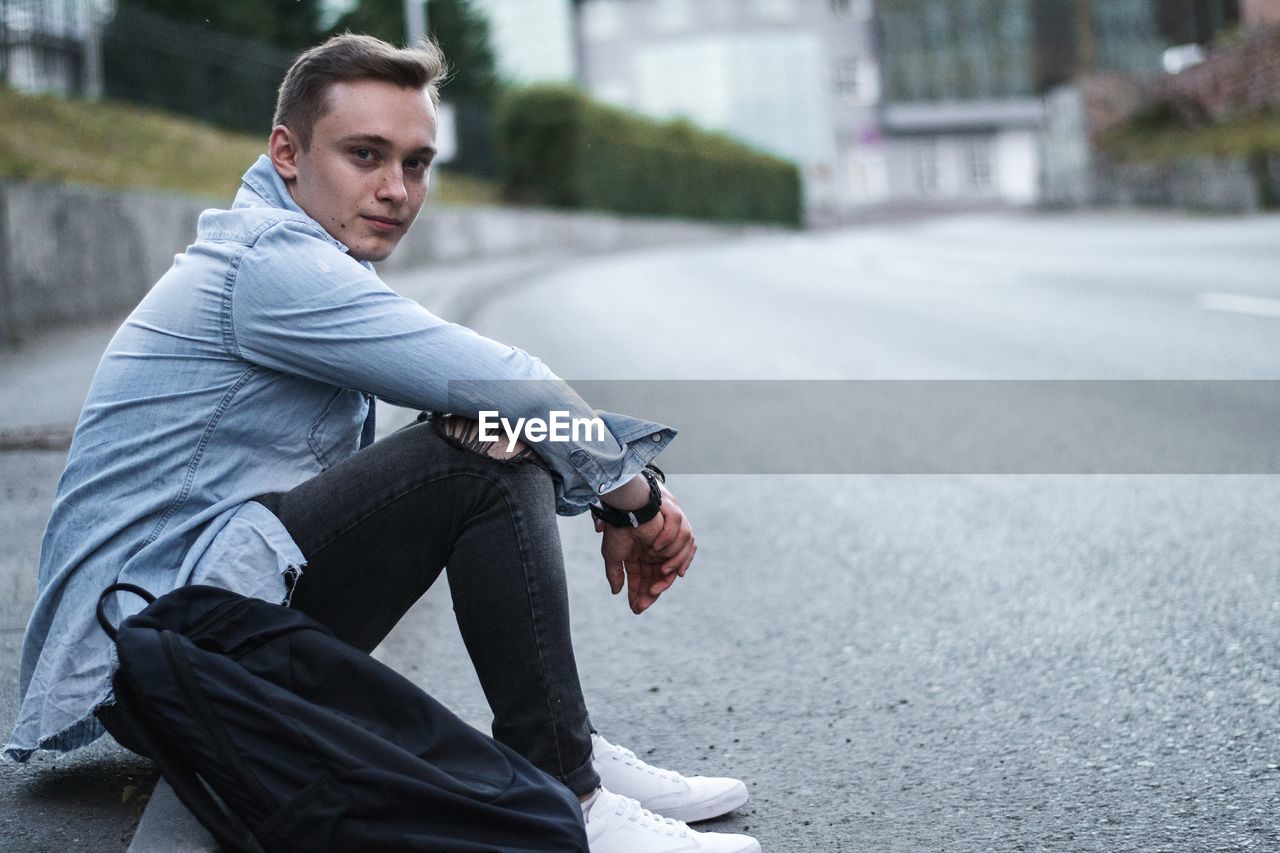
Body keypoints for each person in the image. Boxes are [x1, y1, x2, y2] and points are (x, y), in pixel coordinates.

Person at [5, 33, 759, 853]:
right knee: (481, 451)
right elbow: (510, 376)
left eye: (417, 162)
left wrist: (599, 476)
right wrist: (636, 498)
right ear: (286, 152)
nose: (396, 189)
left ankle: (560, 751)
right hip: (164, 654)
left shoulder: (302, 254)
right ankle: (567, 785)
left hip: (188, 628)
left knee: (489, 431)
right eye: (365, 155)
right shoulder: (271, 266)